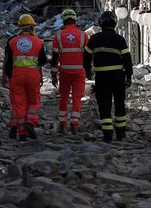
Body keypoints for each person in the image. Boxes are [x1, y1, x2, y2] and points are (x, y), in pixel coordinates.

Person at [87, 10, 132, 142]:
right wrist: (128, 76)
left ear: (101, 24)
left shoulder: (94, 39)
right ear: (114, 24)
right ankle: (120, 134)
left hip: (102, 77)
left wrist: (87, 70)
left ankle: (107, 135)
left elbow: (86, 55)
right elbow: (127, 58)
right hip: (118, 77)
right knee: (119, 104)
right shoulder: (119, 39)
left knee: (104, 105)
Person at [1, 13, 44, 139]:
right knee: (33, 101)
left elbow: (7, 61)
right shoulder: (38, 42)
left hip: (16, 75)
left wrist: (5, 75)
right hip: (32, 75)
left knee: (19, 102)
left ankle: (20, 130)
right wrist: (40, 76)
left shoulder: (12, 41)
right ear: (32, 27)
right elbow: (41, 62)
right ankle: (30, 122)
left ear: (19, 27)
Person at [48, 8, 87, 133]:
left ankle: (62, 123)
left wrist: (53, 75)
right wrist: (89, 70)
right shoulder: (83, 35)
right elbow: (89, 55)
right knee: (76, 98)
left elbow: (54, 58)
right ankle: (74, 122)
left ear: (63, 21)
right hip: (79, 72)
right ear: (75, 20)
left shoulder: (58, 36)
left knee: (63, 97)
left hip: (64, 72)